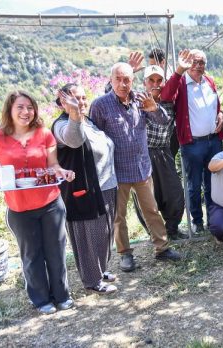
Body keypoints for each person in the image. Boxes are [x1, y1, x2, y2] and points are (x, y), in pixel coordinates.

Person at [0, 91, 75, 314]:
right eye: (20, 107)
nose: (26, 112)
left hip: (50, 203)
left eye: (30, 107)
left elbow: (53, 166)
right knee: (31, 255)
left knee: (56, 251)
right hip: (19, 207)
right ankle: (41, 300)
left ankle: (62, 296)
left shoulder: (44, 134)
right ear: (9, 110)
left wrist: (64, 172)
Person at [90, 62, 183, 273]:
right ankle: (125, 254)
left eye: (127, 80)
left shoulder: (142, 100)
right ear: (111, 80)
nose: (123, 84)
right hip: (116, 171)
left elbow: (163, 121)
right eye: (119, 79)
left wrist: (155, 109)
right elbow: (93, 136)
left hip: (142, 168)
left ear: (133, 80)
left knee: (151, 209)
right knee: (119, 216)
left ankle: (162, 248)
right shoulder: (100, 105)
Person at [52, 83, 118, 294]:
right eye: (74, 99)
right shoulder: (62, 125)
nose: (80, 102)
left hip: (106, 184)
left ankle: (101, 269)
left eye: (82, 98)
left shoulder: (88, 120)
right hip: (85, 190)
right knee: (88, 235)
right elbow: (73, 140)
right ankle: (92, 279)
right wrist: (73, 114)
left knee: (105, 231)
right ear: (62, 103)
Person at [161, 49, 223, 233]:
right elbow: (165, 96)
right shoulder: (181, 82)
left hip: (213, 141)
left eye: (201, 62)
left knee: (213, 183)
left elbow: (216, 105)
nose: (198, 66)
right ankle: (197, 221)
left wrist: (219, 114)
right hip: (192, 143)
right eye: (194, 62)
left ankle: (213, 217)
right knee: (194, 185)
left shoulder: (209, 81)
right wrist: (179, 70)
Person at [132, 65, 188, 241]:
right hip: (143, 154)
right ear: (144, 83)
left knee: (174, 193)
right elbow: (113, 93)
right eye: (151, 80)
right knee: (147, 197)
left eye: (159, 80)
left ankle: (172, 229)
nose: (155, 84)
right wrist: (131, 71)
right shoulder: (135, 101)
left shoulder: (168, 102)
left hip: (164, 152)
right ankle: (155, 234)